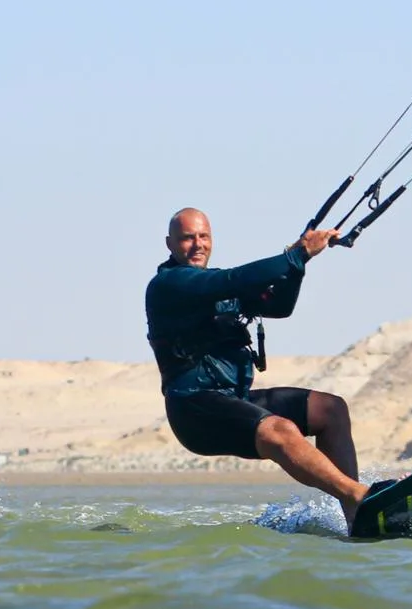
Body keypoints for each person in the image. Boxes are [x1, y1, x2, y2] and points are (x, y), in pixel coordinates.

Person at [145, 207, 374, 527]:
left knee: (331, 409)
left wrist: (297, 264)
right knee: (280, 430)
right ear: (169, 244)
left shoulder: (218, 288)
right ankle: (360, 496)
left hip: (231, 398)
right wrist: (296, 256)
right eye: (187, 238)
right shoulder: (169, 285)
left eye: (204, 236)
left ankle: (356, 519)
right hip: (194, 409)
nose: (197, 244)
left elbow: (279, 306)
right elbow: (233, 279)